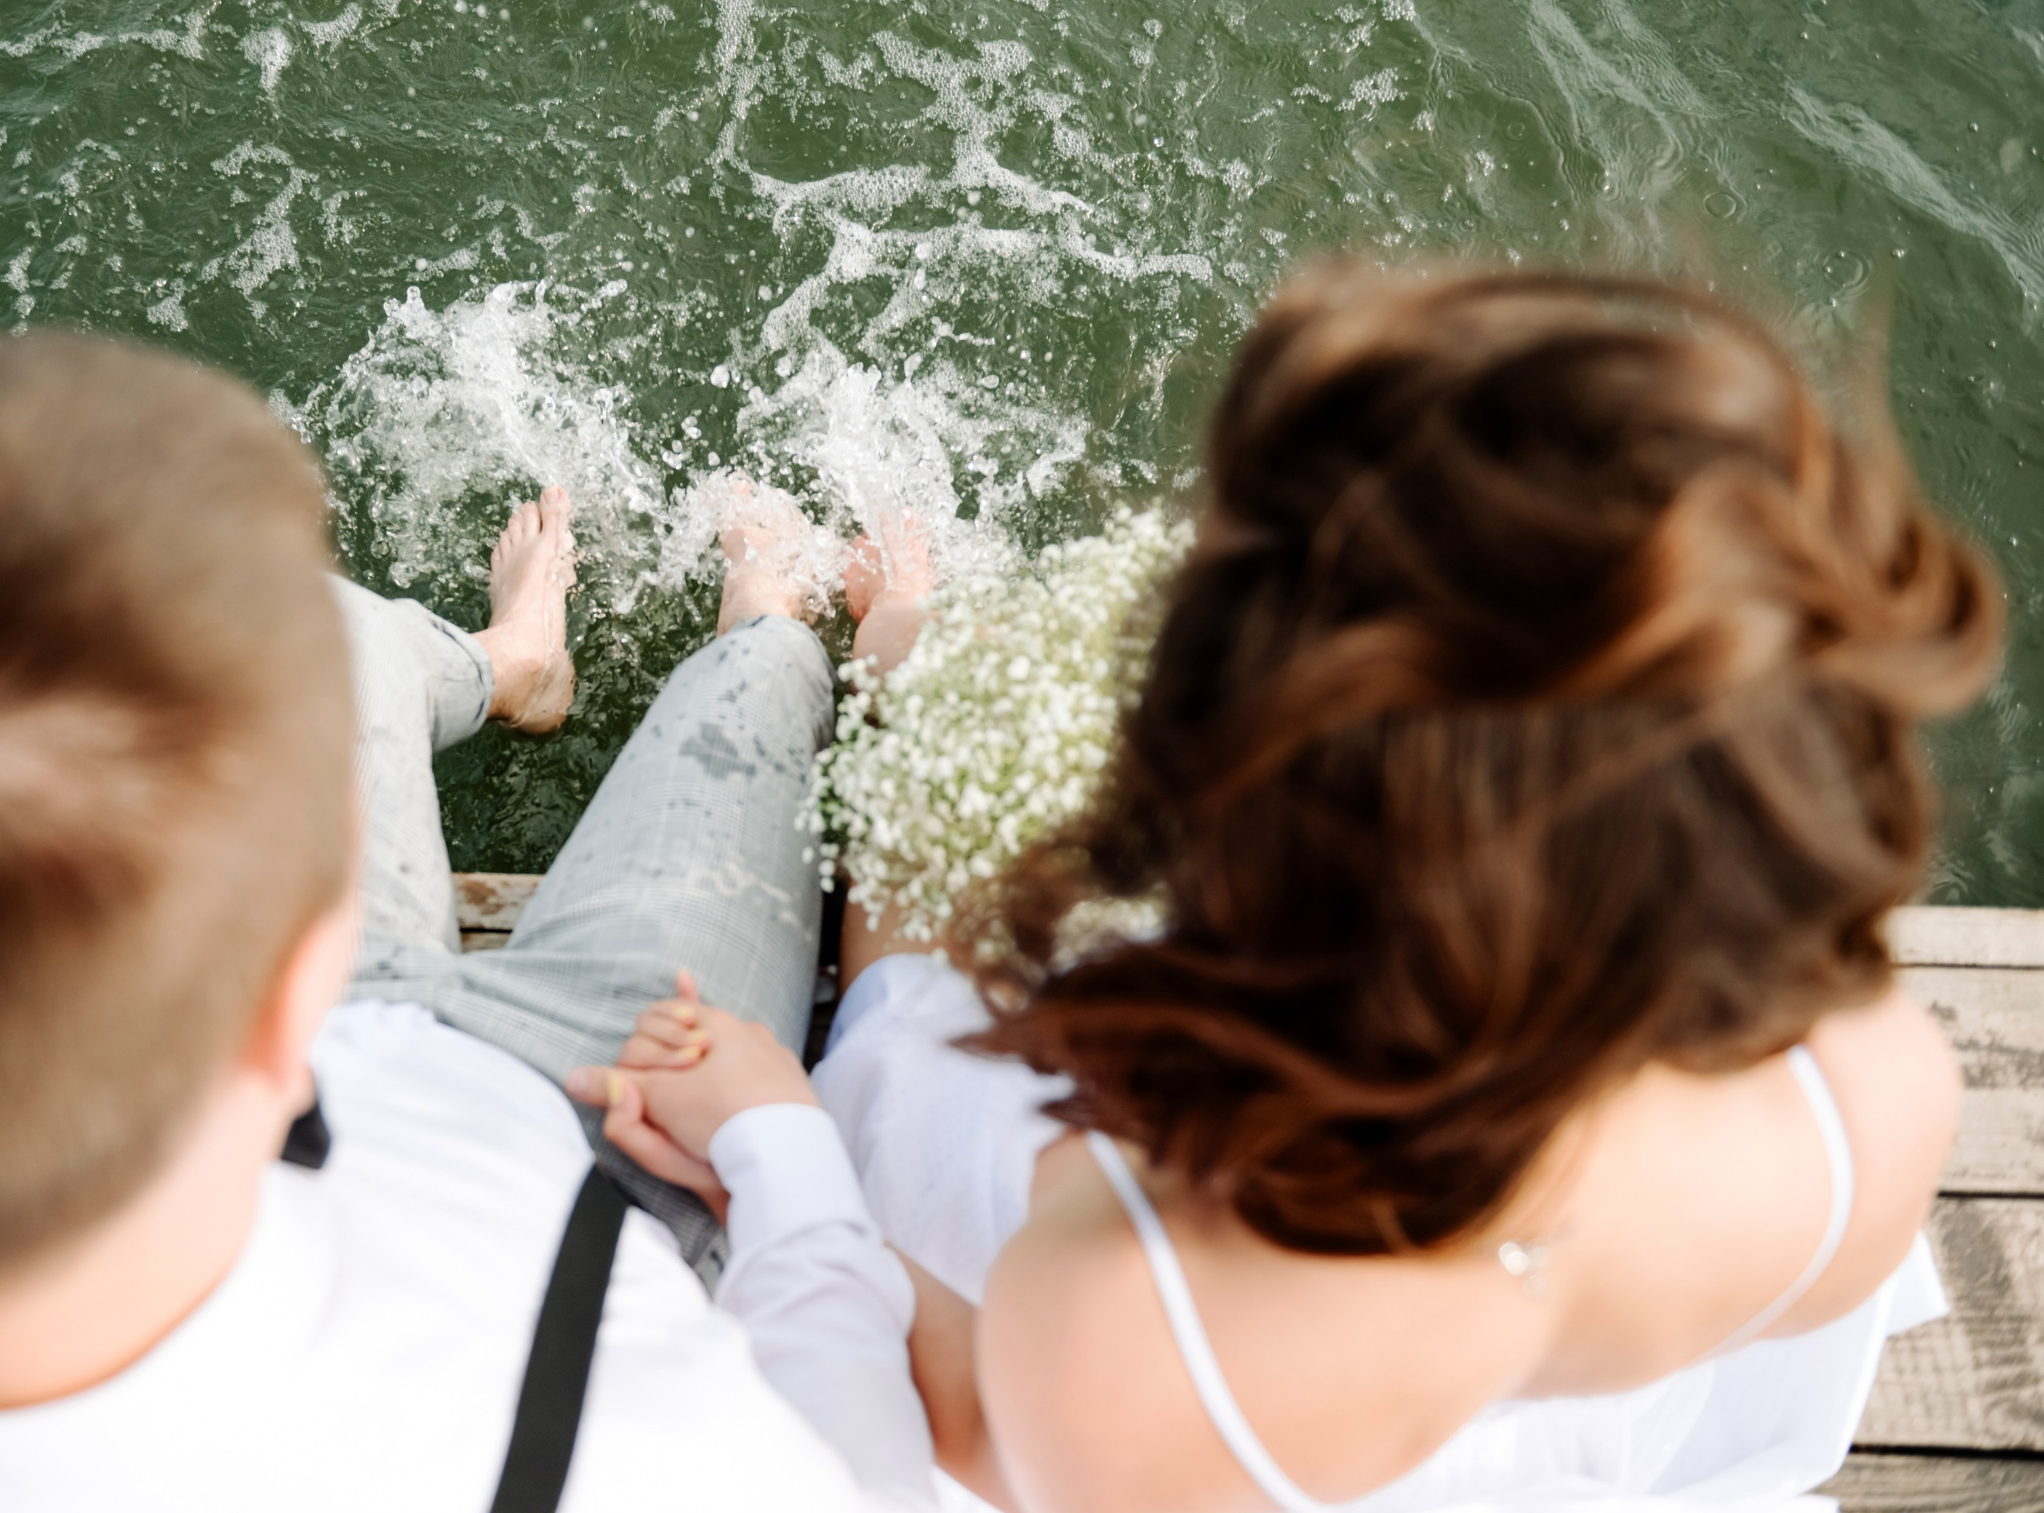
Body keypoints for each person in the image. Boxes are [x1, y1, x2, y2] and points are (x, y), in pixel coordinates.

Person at [590, 265, 2002, 1513]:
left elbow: (940, 1418)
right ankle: (897, 640)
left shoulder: (1131, 1323)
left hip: (1189, 1436)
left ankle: (857, 646)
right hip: (1515, 1421)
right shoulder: (1869, 1085)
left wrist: (782, 1147)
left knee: (907, 1025)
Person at [0, 334, 932, 1511]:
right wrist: (787, 1151)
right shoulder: (622, 1442)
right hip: (612, 1123)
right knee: (762, 680)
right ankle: (772, 620)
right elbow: (867, 1462)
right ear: (301, 969)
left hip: (262, 1062)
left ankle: (512, 662)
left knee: (313, 631)